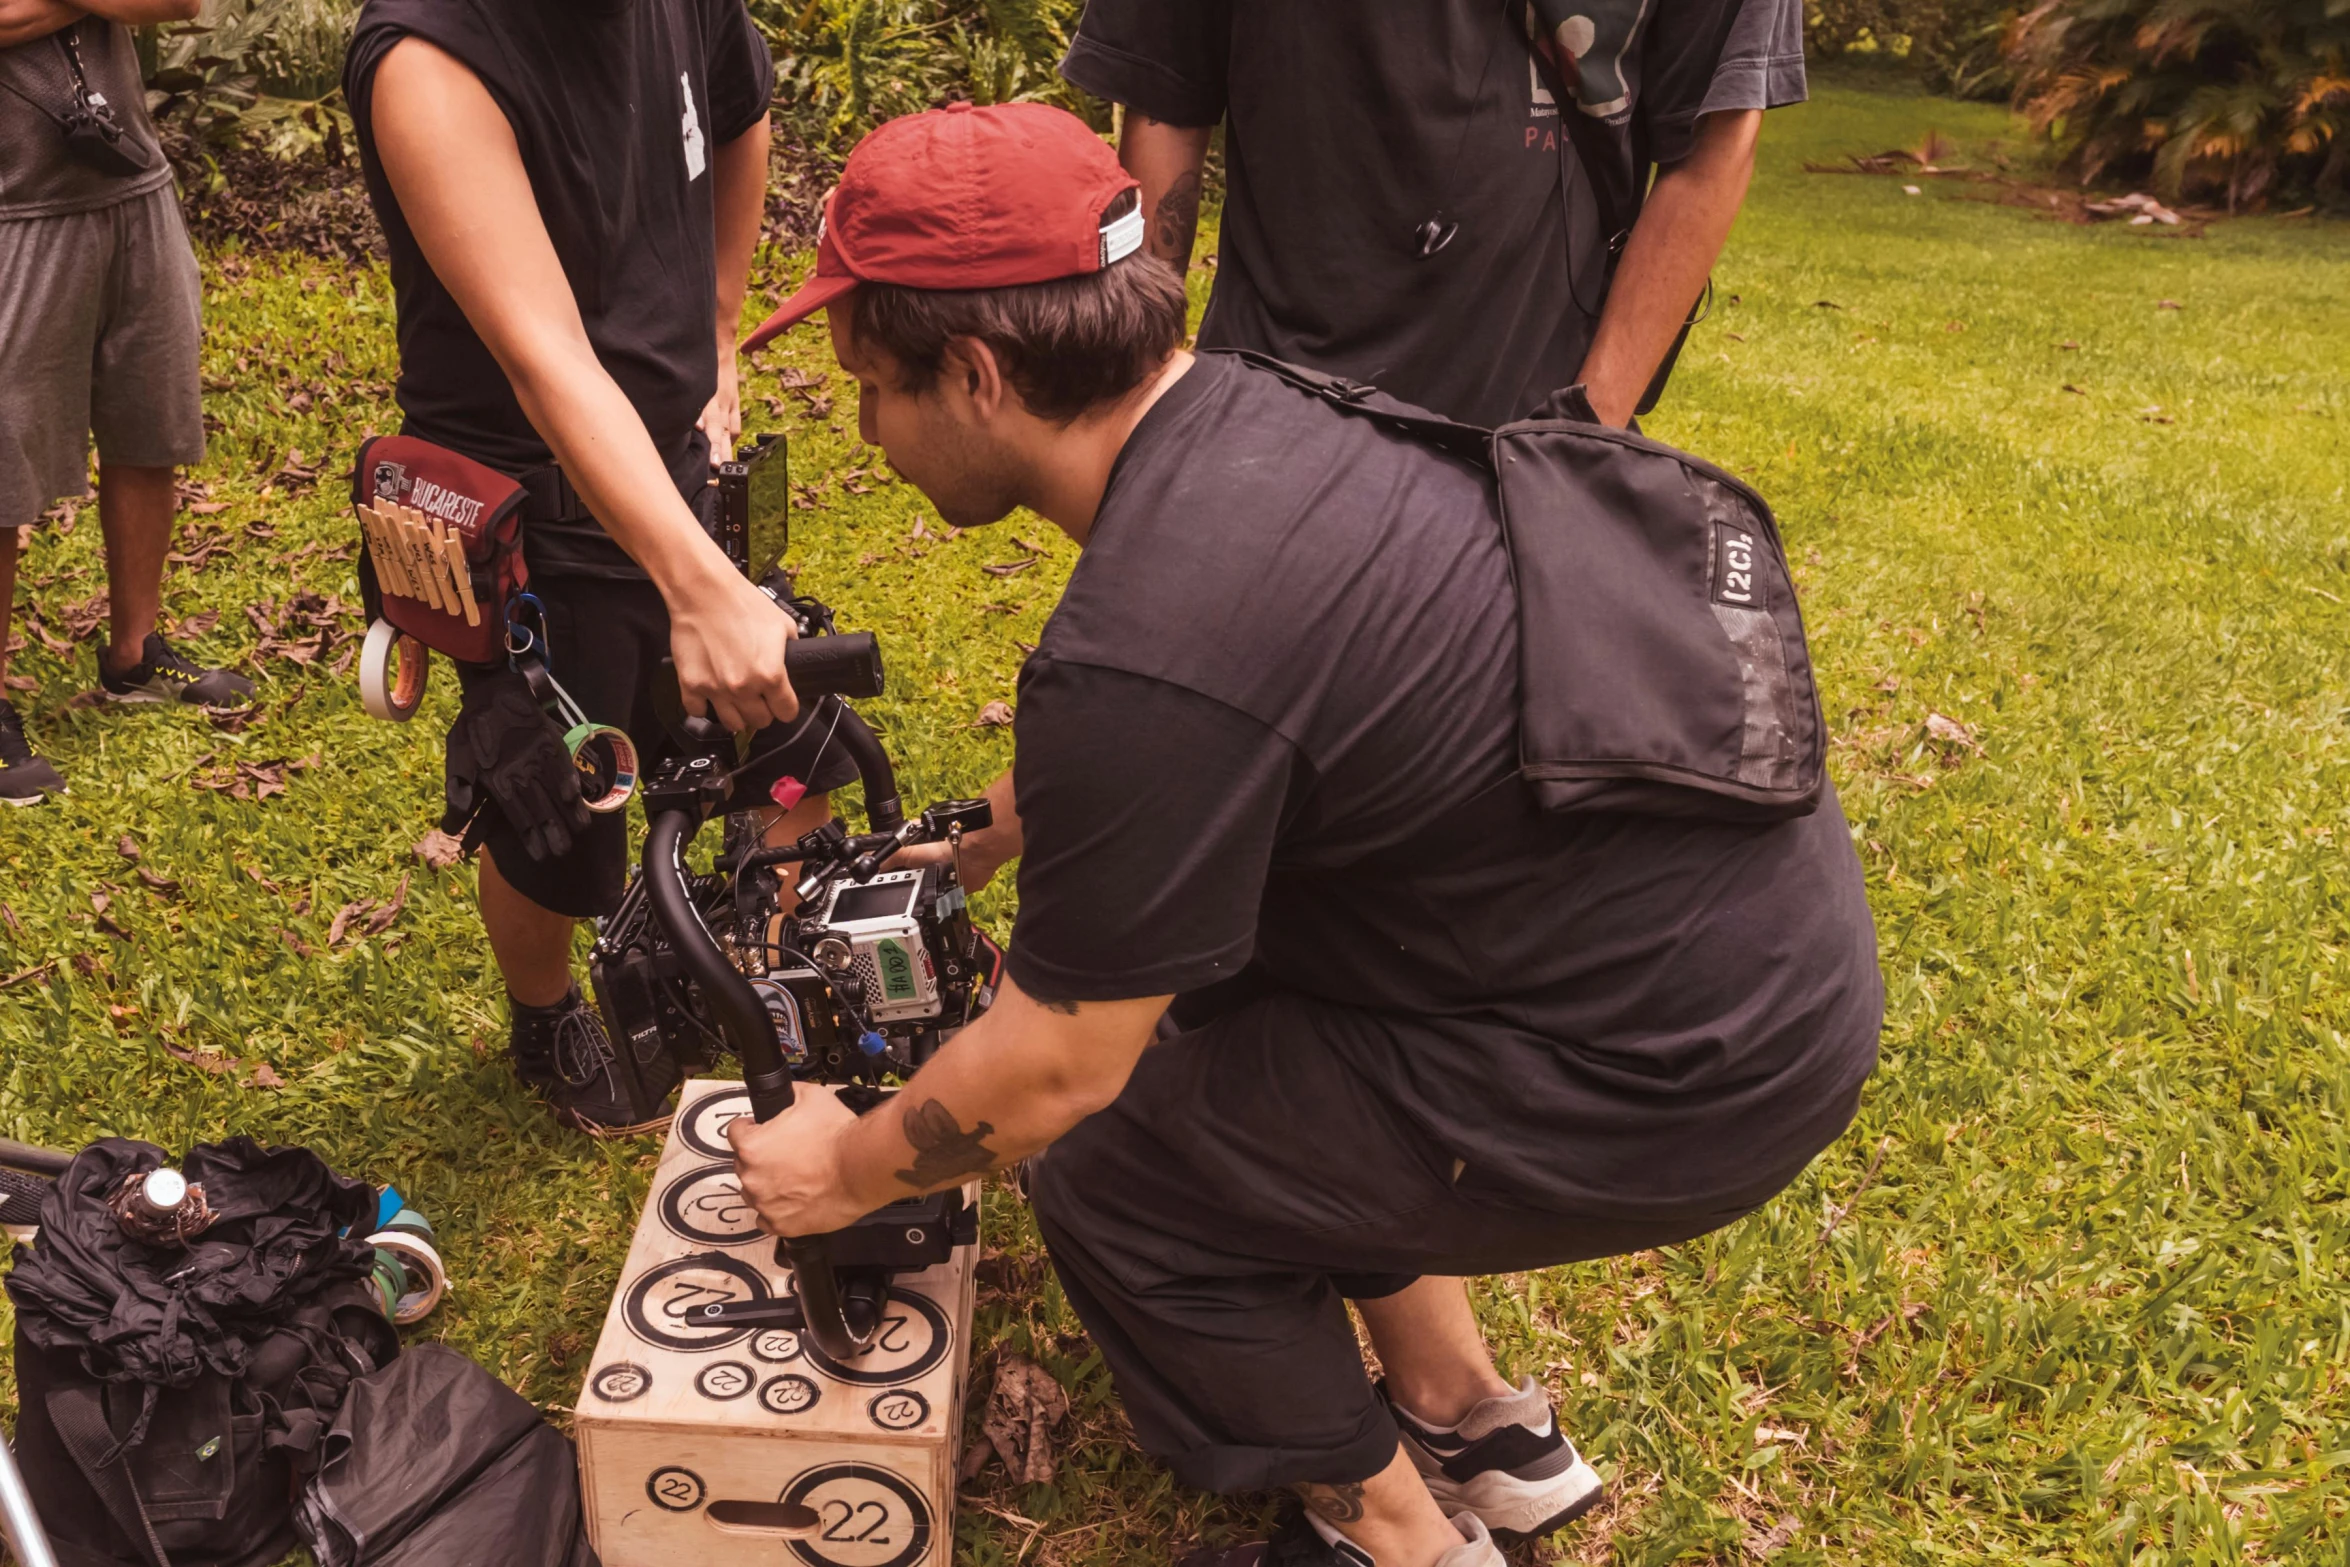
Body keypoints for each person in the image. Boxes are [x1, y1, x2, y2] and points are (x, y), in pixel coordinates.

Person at [728, 104, 1882, 1567]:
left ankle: (1399, 1538)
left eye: (873, 389)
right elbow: (1242, 719)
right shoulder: (1263, 417)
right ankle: (1471, 1416)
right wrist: (980, 843)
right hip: (1729, 967)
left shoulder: (1144, 642)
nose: (866, 429)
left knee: (1109, 1164)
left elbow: (1043, 1079)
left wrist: (845, 1167)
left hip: (1667, 1071)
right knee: (1209, 983)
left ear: (977, 373)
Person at [343, 0, 855, 1134]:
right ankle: (546, 1012)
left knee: (790, 738)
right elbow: (544, 357)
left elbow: (741, 109)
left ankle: (754, 977)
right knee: (556, 813)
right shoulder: (431, 60)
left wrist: (722, 328)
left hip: (672, 455)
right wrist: (700, 586)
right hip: (539, 508)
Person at [1060, 0, 1808, 428]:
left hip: (1529, 443)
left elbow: (1715, 135)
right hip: (1263, 412)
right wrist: (1143, 387)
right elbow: (1164, 89)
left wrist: (1587, 434)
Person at [0, 0, 255, 807]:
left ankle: (134, 653)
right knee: (3, 457)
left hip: (134, 184)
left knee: (152, 423)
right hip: (14, 211)